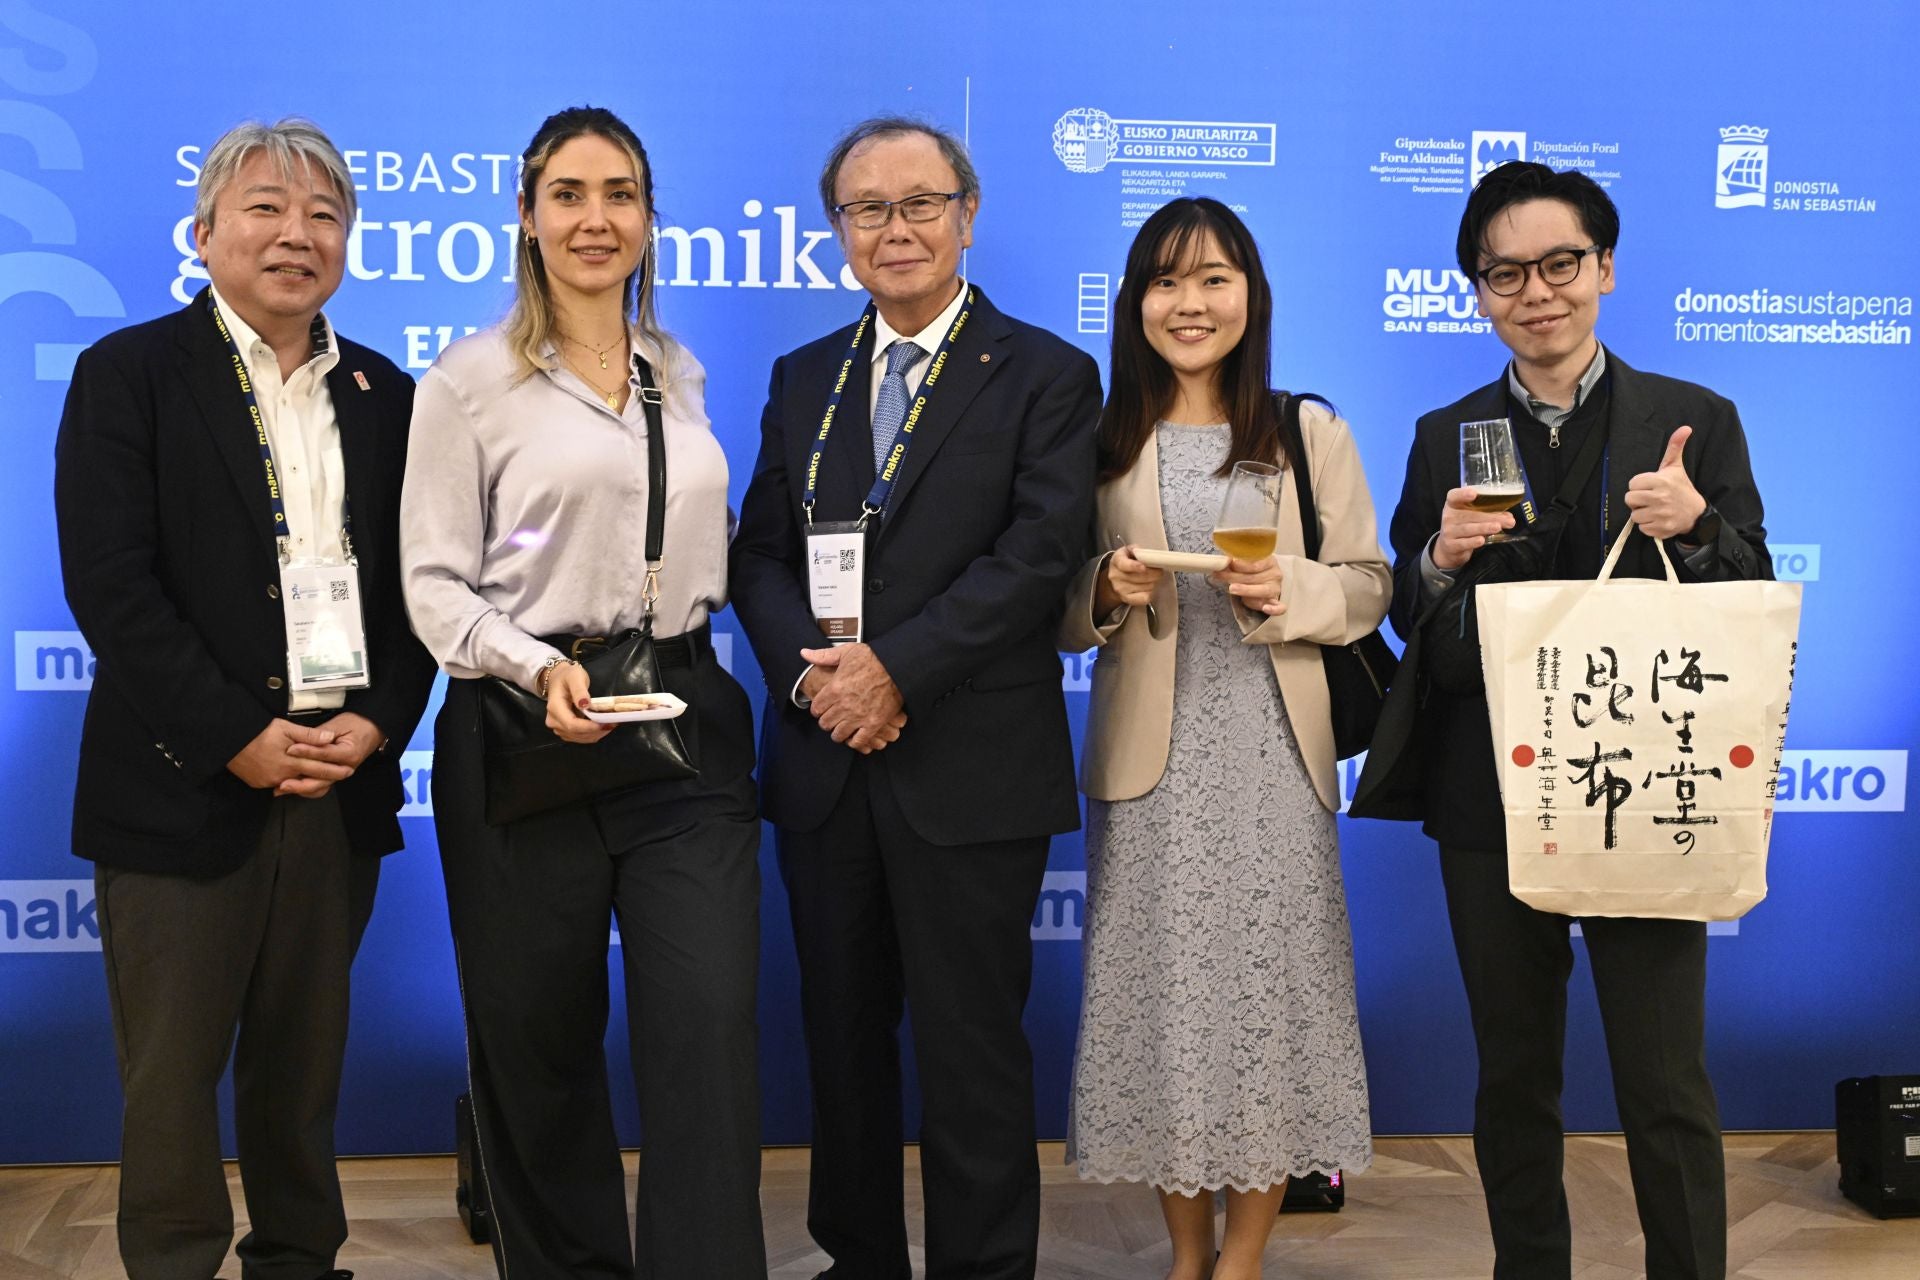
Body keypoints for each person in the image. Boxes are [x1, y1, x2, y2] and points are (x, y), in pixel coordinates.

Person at [52, 118, 436, 1280]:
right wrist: (234, 735)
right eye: (265, 208)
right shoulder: (129, 374)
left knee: (301, 1065)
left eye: (324, 215)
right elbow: (112, 585)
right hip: (184, 782)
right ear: (204, 232)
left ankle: (300, 1258)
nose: (295, 235)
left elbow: (422, 590)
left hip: (338, 780)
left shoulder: (386, 392)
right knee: (171, 1077)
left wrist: (382, 720)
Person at [1378, 162, 1770, 1280]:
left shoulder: (1694, 419)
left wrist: (1697, 526)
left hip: (1648, 782)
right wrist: (1437, 558)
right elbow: (1407, 615)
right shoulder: (1445, 432)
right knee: (1512, 1075)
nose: (1536, 292)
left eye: (1560, 264)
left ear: (1604, 269)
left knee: (1665, 1076)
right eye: (1505, 273)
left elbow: (1753, 592)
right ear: (1477, 291)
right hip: (1490, 789)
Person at [729, 115, 1100, 1280]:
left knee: (972, 1049)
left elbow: (1039, 557)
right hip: (827, 762)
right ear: (838, 229)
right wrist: (816, 678)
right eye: (867, 209)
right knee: (840, 1046)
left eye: (920, 203)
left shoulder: (1045, 372)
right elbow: (759, 556)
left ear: (967, 215)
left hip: (970, 766)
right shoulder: (806, 377)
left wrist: (896, 669)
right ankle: (861, 1260)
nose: (895, 229)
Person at [399, 106, 764, 1279]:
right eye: (568, 194)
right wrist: (533, 662)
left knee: (708, 1027)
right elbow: (432, 583)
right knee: (538, 1044)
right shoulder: (467, 382)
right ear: (527, 215)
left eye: (620, 194)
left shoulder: (677, 369)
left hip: (682, 721)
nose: (594, 218)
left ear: (650, 219)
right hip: (525, 732)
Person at [1061, 197, 1387, 1280]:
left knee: (1270, 1004)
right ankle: (1185, 1254)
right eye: (1165, 281)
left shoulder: (1306, 429)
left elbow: (1370, 584)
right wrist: (1101, 586)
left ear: (1251, 295)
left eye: (1213, 279)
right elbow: (1050, 602)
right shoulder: (1099, 439)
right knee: (1166, 1008)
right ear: (1134, 303)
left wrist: (1291, 586)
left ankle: (1241, 1260)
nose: (1189, 303)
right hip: (1147, 764)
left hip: (1275, 756)